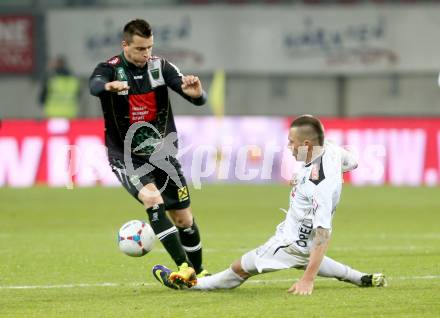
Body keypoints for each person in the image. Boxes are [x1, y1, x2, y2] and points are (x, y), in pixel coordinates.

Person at [152, 115, 387, 293]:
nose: (288, 146)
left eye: (291, 142)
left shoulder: (319, 184)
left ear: (306, 143)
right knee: (313, 260)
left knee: (238, 269)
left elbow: (323, 233)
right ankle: (364, 278)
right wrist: (333, 172)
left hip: (290, 244)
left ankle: (192, 285)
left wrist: (308, 280)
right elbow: (352, 162)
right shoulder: (332, 151)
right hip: (300, 243)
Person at [89, 19, 208, 279]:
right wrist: (107, 87)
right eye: (140, 49)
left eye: (150, 48)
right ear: (125, 45)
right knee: (153, 199)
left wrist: (197, 94)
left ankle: (199, 273)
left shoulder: (161, 67)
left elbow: (193, 96)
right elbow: (94, 85)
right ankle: (183, 267)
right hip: (126, 155)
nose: (146, 54)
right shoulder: (109, 69)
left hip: (162, 154)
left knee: (184, 220)